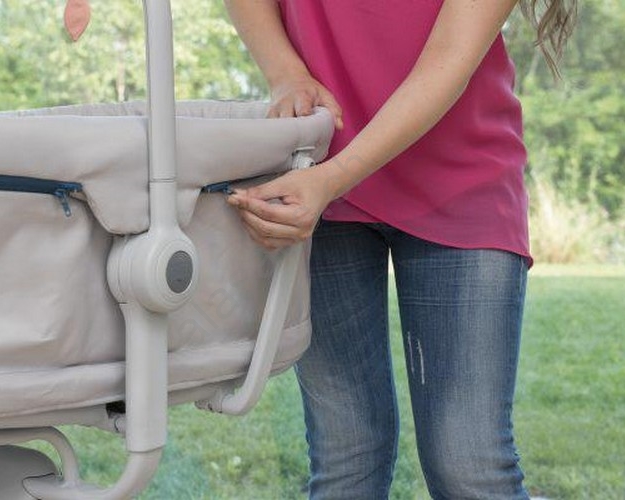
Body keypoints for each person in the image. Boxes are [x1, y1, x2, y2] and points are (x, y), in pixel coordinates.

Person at [223, 1, 576, 499]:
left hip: (459, 181)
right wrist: (286, 74)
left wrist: (331, 180)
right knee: (346, 458)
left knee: (468, 465)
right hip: (319, 173)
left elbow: (448, 58)